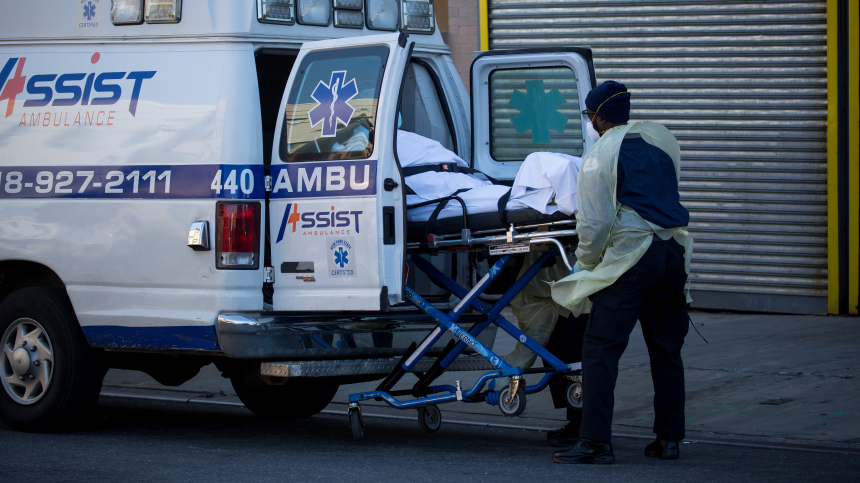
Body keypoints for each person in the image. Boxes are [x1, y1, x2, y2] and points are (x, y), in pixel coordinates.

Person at [549, 81, 694, 464]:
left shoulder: (601, 153)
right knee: (666, 352)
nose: (590, 122)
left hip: (633, 258)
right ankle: (669, 440)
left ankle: (595, 443)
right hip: (672, 253)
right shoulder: (657, 143)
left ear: (597, 116)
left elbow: (594, 224)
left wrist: (587, 263)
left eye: (588, 115)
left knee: (599, 350)